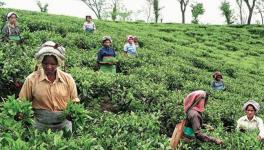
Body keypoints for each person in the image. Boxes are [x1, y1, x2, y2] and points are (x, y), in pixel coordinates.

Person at [19, 41, 80, 137]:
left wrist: (72, 113)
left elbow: (74, 100)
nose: (49, 67)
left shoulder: (67, 79)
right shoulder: (32, 79)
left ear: (58, 64)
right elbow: (22, 101)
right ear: (41, 62)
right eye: (45, 63)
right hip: (39, 124)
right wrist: (20, 114)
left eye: (53, 64)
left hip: (63, 124)